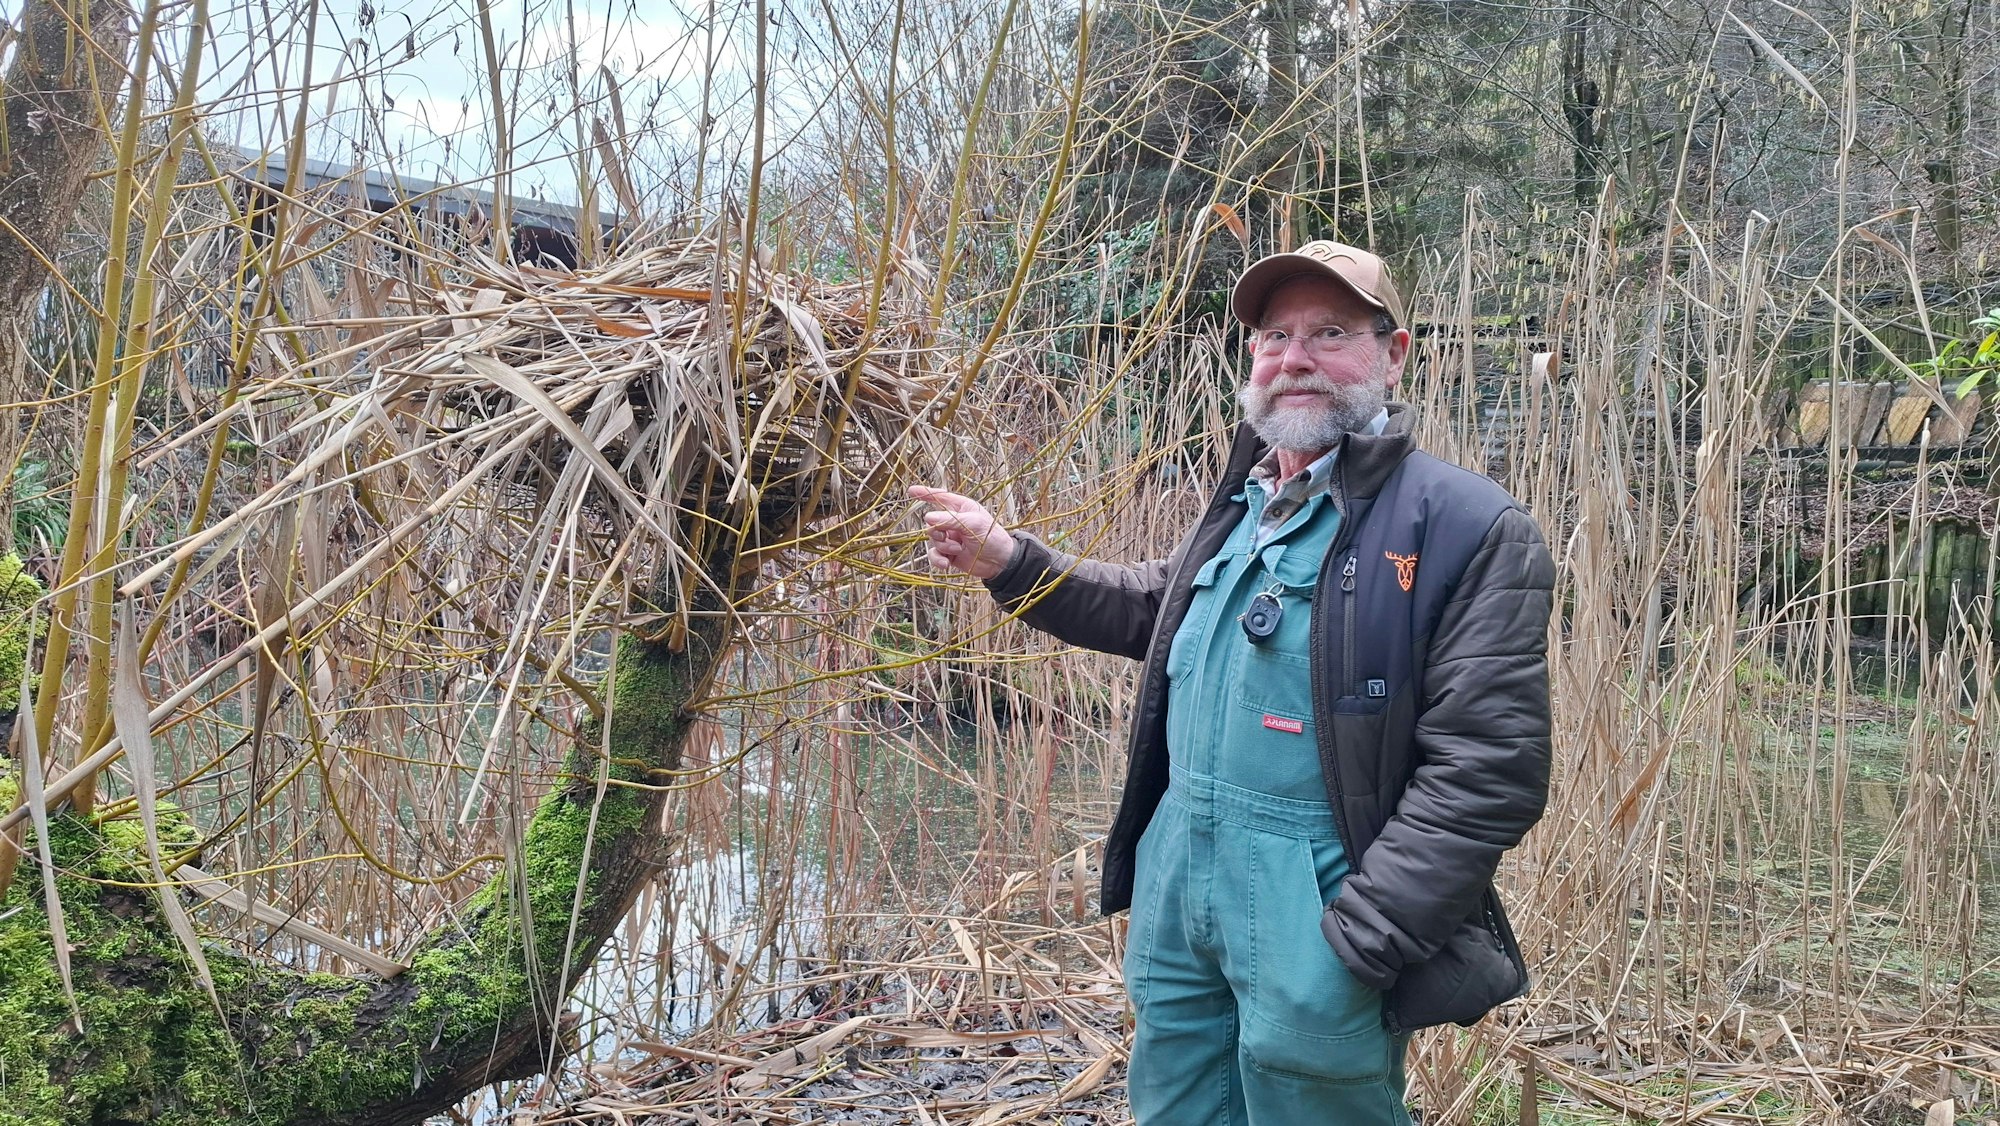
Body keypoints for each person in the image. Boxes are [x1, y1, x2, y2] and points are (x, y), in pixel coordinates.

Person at [912, 240, 1554, 1125]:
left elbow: (1489, 770)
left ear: (1392, 353)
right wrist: (1010, 561)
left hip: (1320, 898)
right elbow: (1152, 608)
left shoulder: (1468, 526)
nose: (1296, 359)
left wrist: (1369, 932)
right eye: (1273, 337)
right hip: (1183, 879)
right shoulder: (1246, 502)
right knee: (1176, 1101)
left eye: (1330, 333)